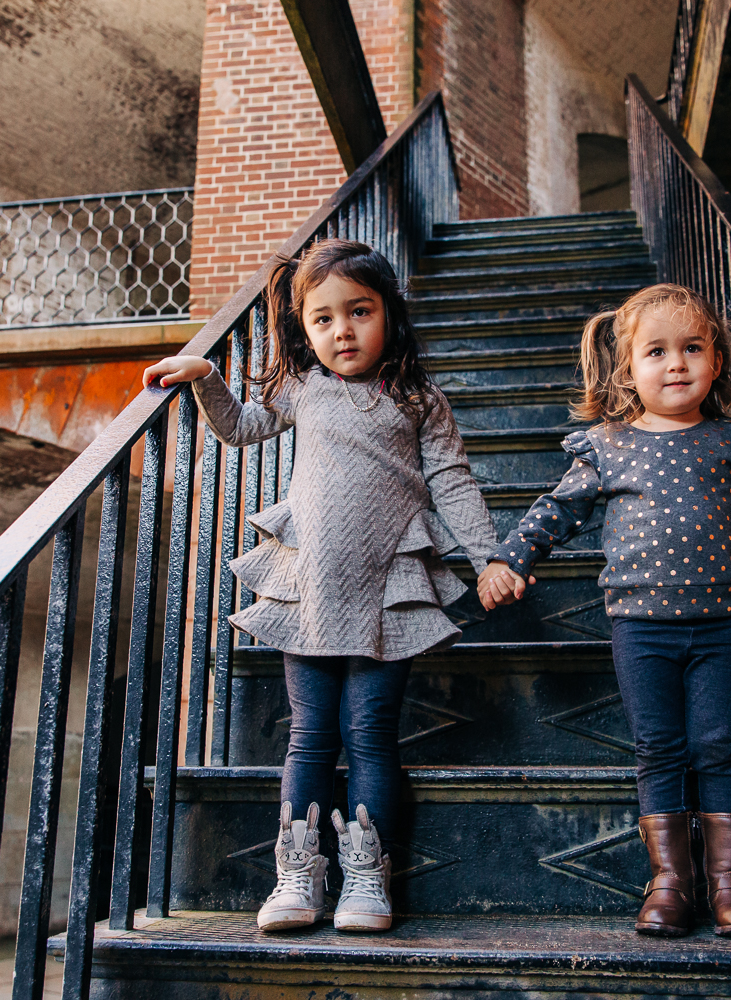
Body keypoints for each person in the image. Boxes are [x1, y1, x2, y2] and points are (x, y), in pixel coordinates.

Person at [142, 239, 499, 933]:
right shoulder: (302, 388)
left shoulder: (418, 398)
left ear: (388, 313)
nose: (343, 330)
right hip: (309, 584)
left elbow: (452, 482)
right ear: (304, 327)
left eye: (359, 312)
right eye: (324, 318)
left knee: (370, 735)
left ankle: (367, 876)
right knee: (308, 735)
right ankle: (298, 876)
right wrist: (207, 376)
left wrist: (488, 559)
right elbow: (241, 428)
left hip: (389, 586)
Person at [477, 283, 731, 938]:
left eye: (692, 348)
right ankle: (670, 880)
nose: (676, 364)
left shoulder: (730, 442)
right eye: (657, 352)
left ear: (716, 362)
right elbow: (556, 511)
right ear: (628, 370)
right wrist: (511, 560)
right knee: (659, 747)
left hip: (722, 622)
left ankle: (730, 882)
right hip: (641, 626)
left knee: (722, 744)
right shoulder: (609, 445)